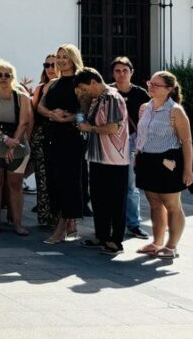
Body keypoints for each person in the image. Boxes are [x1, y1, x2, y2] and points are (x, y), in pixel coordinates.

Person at [134, 71, 193, 259]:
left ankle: (172, 246)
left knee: (172, 204)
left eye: (156, 85)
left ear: (169, 89)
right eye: (150, 82)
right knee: (154, 203)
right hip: (147, 160)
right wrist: (137, 156)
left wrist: (188, 169)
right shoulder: (145, 107)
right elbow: (141, 135)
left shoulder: (175, 111)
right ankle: (156, 242)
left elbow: (187, 142)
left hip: (168, 161)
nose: (150, 86)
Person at [73, 68, 130, 255]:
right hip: (98, 158)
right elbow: (82, 121)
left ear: (93, 82)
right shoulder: (96, 99)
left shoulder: (112, 97)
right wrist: (80, 102)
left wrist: (91, 128)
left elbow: (113, 128)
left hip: (114, 160)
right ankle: (102, 235)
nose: (83, 92)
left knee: (115, 202)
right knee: (98, 199)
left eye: (83, 88)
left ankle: (116, 241)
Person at [37, 44, 86, 244]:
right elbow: (40, 106)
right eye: (59, 56)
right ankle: (67, 222)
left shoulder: (80, 83)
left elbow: (86, 111)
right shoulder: (54, 83)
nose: (61, 60)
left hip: (71, 138)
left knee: (69, 183)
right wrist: (51, 114)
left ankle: (61, 228)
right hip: (52, 137)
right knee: (54, 182)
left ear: (73, 58)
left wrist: (70, 118)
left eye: (65, 56)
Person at [0, 61, 32, 236]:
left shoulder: (23, 97)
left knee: (15, 184)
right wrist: (5, 139)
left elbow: (24, 121)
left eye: (7, 75)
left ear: (13, 77)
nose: (3, 78)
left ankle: (18, 223)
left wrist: (13, 142)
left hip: (17, 143)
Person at [110, 57, 151, 240]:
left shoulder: (140, 94)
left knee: (130, 185)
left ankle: (133, 224)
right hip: (109, 141)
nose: (121, 74)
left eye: (125, 70)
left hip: (132, 141)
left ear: (131, 72)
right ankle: (109, 223)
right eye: (117, 71)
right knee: (109, 184)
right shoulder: (108, 92)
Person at [29, 53, 59, 228]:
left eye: (53, 65)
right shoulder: (40, 88)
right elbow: (33, 114)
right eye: (46, 65)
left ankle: (62, 219)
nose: (50, 69)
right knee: (42, 179)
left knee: (60, 178)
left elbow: (81, 112)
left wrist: (78, 126)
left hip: (63, 137)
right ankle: (45, 217)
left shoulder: (70, 86)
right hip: (41, 137)